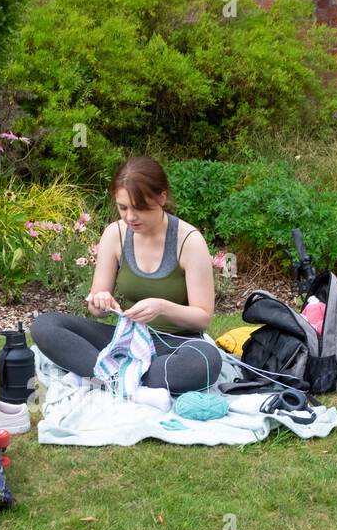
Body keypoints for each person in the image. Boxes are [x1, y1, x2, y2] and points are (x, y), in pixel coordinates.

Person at [30, 156, 222, 395]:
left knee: (204, 362)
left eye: (140, 208)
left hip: (173, 344)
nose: (130, 217)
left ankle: (111, 376)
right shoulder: (115, 234)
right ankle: (123, 378)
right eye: (123, 208)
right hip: (126, 339)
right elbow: (95, 305)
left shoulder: (188, 241)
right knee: (45, 326)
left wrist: (162, 307)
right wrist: (100, 301)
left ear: (162, 198)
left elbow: (202, 318)